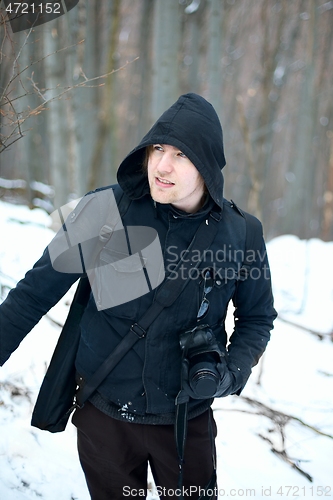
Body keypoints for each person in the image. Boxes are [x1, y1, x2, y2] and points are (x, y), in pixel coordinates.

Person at [0, 93, 277, 499]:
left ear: (207, 164)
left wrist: (230, 374)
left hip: (187, 421)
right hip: (104, 417)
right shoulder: (103, 212)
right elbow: (30, 297)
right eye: (158, 148)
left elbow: (257, 318)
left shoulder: (241, 233)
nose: (162, 165)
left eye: (181, 154)